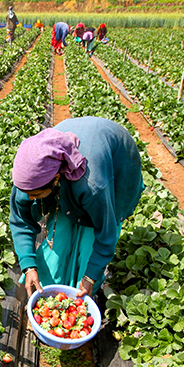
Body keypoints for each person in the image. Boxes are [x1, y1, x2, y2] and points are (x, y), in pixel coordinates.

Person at [9, 117, 143, 298]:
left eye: (36, 195)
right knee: (58, 243)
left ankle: (83, 297)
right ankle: (51, 293)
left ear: (56, 178)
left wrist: (91, 276)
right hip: (74, 164)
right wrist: (28, 265)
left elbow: (106, 231)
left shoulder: (93, 184)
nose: (31, 198)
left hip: (116, 162)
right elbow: (20, 221)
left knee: (89, 249)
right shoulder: (28, 175)